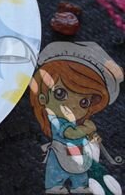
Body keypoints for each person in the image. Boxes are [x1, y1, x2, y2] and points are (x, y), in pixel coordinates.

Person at [29, 42, 123, 194]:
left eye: (83, 102)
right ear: (42, 98)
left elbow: (83, 135)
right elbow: (70, 133)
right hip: (61, 155)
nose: (73, 105)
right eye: (60, 94)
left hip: (79, 157)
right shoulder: (56, 119)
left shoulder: (75, 120)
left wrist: (92, 137)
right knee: (56, 177)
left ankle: (80, 187)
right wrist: (87, 129)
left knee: (80, 177)